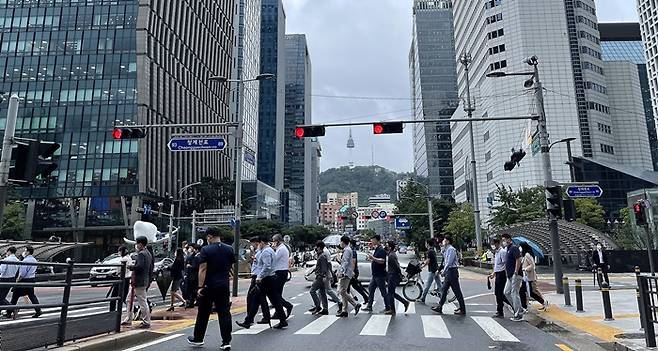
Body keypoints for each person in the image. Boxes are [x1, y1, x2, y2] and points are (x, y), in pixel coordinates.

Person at [187, 227, 236, 349]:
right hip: (223, 284)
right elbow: (231, 267)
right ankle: (226, 341)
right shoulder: (229, 249)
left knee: (203, 312)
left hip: (209, 285)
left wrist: (200, 286)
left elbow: (202, 269)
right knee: (224, 312)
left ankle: (198, 338)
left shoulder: (206, 249)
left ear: (209, 237)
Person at [254, 231, 288, 330]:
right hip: (273, 275)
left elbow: (268, 266)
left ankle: (252, 319)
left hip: (270, 277)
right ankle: (278, 318)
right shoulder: (272, 250)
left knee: (271, 298)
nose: (273, 243)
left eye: (274, 241)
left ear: (261, 242)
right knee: (274, 298)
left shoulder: (271, 251)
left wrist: (259, 276)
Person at [237, 237, 271, 328]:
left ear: (259, 243)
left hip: (259, 277)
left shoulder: (265, 251)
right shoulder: (260, 251)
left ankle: (249, 320)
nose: (252, 246)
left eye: (253, 244)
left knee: (253, 298)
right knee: (260, 299)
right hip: (258, 276)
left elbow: (266, 266)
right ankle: (263, 317)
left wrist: (259, 277)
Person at [122, 236, 152, 328]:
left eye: (137, 243)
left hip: (139, 281)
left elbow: (140, 267)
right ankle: (129, 318)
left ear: (140, 244)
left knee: (142, 301)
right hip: (142, 280)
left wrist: (131, 267)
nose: (136, 245)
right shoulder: (148, 253)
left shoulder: (142, 254)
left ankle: (146, 321)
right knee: (129, 299)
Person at [431, 236, 466, 315]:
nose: (443, 241)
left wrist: (444, 271)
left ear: (448, 241)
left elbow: (449, 262)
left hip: (452, 272)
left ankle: (462, 309)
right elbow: (445, 262)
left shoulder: (451, 250)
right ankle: (440, 307)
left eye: (444, 240)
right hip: (449, 272)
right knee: (444, 289)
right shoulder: (446, 250)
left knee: (457, 291)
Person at [8, 246, 41, 319]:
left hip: (24, 280)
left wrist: (17, 280)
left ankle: (9, 312)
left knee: (15, 296)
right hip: (31, 279)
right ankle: (38, 310)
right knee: (32, 295)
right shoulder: (34, 260)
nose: (24, 252)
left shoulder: (25, 261)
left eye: (25, 250)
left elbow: (22, 274)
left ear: (28, 252)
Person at [362, 235, 389, 313]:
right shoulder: (377, 249)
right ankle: (369, 306)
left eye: (373, 239)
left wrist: (373, 258)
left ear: (377, 240)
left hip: (380, 274)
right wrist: (371, 259)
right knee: (371, 289)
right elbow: (377, 260)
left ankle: (388, 307)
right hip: (375, 274)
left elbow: (382, 261)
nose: (372, 241)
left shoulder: (381, 250)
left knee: (383, 291)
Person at [337, 236, 361, 317]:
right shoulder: (347, 250)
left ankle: (355, 304)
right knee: (343, 291)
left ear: (343, 242)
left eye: (340, 242)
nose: (340, 243)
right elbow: (344, 262)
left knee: (342, 291)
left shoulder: (347, 250)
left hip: (346, 273)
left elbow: (345, 263)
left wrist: (342, 272)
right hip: (347, 273)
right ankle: (344, 311)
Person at [501, 233, 524, 322]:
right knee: (506, 292)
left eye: (504, 240)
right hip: (510, 275)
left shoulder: (514, 248)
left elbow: (518, 259)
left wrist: (515, 271)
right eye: (502, 240)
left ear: (509, 239)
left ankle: (518, 314)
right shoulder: (508, 249)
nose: (503, 242)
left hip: (516, 275)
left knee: (515, 293)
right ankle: (519, 308)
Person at [520, 242, 548, 311]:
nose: (519, 248)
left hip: (529, 277)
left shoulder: (527, 255)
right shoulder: (524, 255)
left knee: (530, 292)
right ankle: (524, 306)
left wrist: (525, 269)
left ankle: (542, 302)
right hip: (526, 277)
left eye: (520, 246)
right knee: (523, 291)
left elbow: (532, 265)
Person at [272, 234, 294, 318]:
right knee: (278, 293)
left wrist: (272, 250)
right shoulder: (280, 248)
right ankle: (278, 312)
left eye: (274, 241)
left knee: (275, 294)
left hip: (280, 272)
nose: (273, 243)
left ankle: (287, 305)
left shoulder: (281, 249)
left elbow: (274, 259)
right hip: (281, 272)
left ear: (278, 241)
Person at [385, 241, 409, 315]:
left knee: (390, 293)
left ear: (390, 247)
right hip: (392, 275)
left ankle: (393, 309)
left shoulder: (391, 256)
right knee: (391, 293)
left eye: (387, 245)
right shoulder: (391, 254)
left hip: (393, 276)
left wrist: (400, 274)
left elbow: (396, 266)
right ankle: (404, 302)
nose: (386, 246)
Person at [489, 238, 511, 318]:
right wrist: (493, 274)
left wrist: (506, 275)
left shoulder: (502, 252)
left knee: (501, 294)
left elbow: (505, 264)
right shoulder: (497, 253)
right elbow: (497, 265)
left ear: (497, 243)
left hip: (502, 275)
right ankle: (500, 311)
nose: (492, 246)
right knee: (498, 294)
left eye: (493, 244)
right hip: (498, 274)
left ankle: (514, 306)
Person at [309, 241, 331, 316]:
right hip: (320, 276)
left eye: (316, 247)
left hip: (320, 277)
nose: (315, 248)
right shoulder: (320, 255)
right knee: (322, 293)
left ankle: (318, 306)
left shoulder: (322, 256)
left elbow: (324, 268)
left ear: (319, 247)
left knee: (312, 291)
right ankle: (325, 309)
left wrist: (321, 276)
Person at [110, 246, 133, 312]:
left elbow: (119, 269)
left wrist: (116, 272)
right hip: (127, 278)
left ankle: (112, 311)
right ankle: (133, 309)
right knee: (124, 297)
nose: (119, 253)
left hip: (122, 278)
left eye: (119, 251)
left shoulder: (124, 259)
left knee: (114, 296)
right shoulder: (129, 258)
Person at [420, 238, 442, 304]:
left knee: (428, 285)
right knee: (439, 284)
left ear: (428, 244)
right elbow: (428, 260)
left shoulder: (430, 251)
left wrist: (422, 266)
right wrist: (423, 263)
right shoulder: (432, 250)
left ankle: (423, 298)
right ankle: (443, 297)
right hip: (435, 269)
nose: (425, 244)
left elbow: (428, 261)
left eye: (426, 243)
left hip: (433, 270)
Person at [0, 247, 19, 315]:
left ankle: (13, 308)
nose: (6, 253)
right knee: (2, 297)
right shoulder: (17, 260)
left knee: (1, 298)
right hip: (12, 279)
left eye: (6, 251)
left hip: (4, 279)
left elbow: (1, 270)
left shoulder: (6, 260)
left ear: (9, 251)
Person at [349, 239, 368, 305]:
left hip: (353, 271)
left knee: (347, 288)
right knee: (354, 286)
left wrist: (352, 271)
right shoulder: (351, 251)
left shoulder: (353, 251)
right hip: (352, 271)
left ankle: (346, 302)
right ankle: (365, 297)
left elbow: (353, 262)